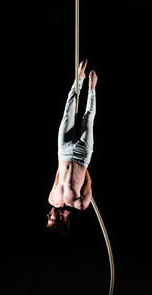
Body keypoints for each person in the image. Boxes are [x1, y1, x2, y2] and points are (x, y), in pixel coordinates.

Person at [46, 59, 98, 233]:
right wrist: (82, 167)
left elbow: (57, 174)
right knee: (88, 118)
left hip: (64, 153)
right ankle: (92, 88)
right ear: (60, 220)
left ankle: (80, 79)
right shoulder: (80, 204)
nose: (48, 216)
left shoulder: (52, 199)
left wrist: (65, 161)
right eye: (50, 219)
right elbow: (88, 182)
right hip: (83, 157)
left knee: (67, 112)